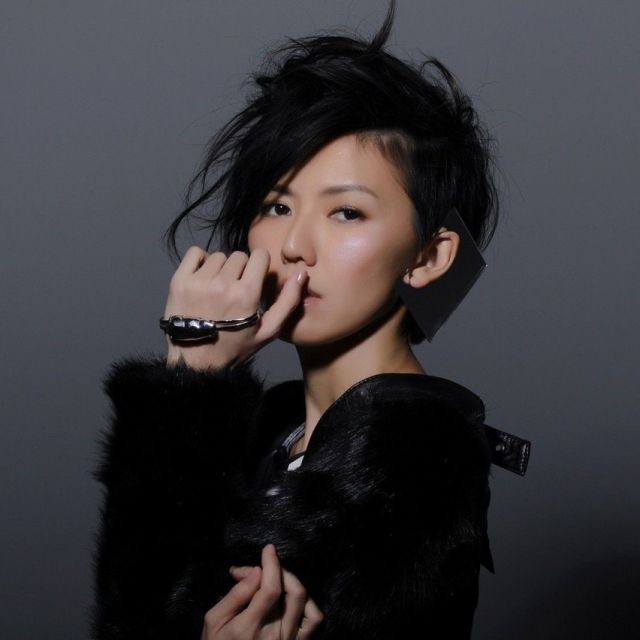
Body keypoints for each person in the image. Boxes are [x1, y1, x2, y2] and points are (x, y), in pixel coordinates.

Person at [89, 1, 530, 638]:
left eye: (346, 212)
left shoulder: (414, 462)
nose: (294, 245)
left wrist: (192, 385)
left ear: (429, 257)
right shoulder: (275, 428)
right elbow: (135, 614)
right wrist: (193, 380)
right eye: (276, 206)